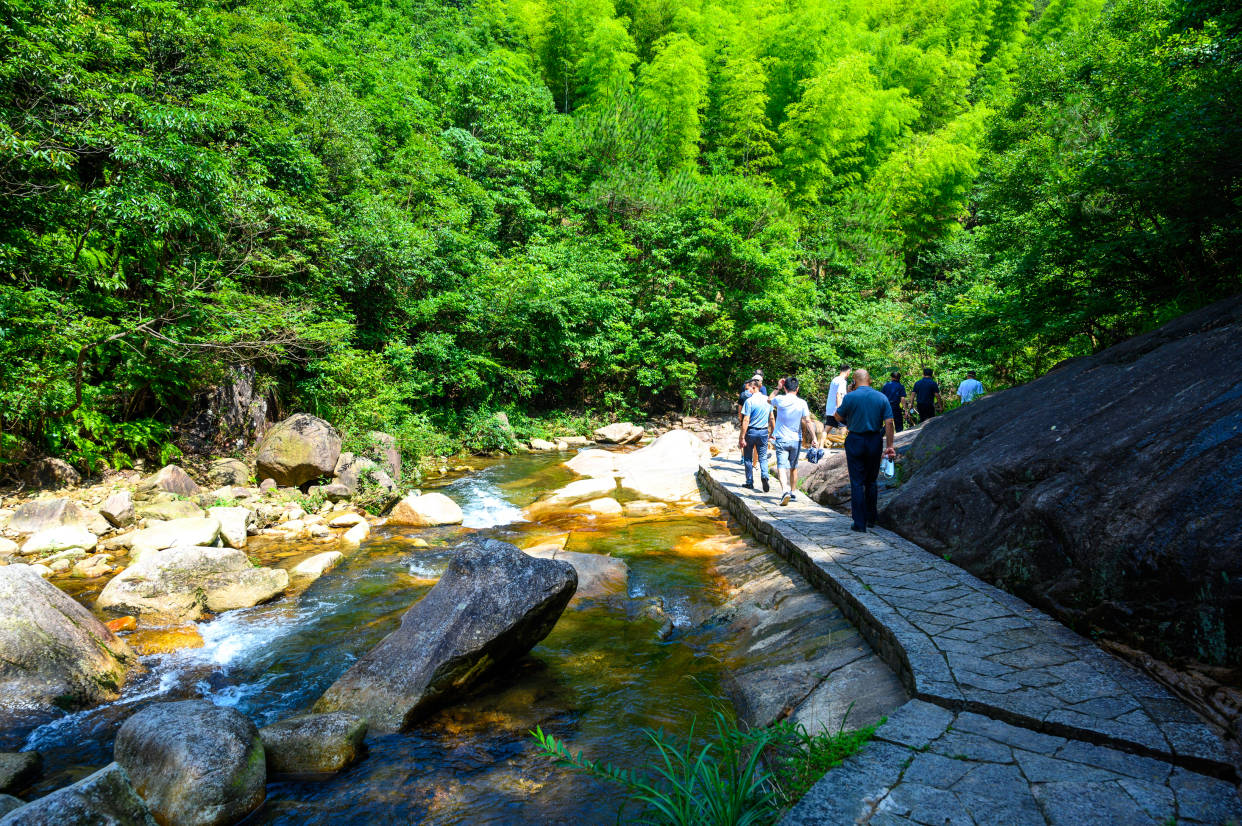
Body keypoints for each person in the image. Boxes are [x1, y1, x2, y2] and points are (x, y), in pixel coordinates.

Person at [833, 369, 896, 532]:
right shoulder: (881, 397)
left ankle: (859, 523)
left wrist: (850, 414)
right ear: (870, 380)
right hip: (874, 440)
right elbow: (889, 423)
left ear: (854, 380)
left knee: (857, 482)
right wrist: (890, 446)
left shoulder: (850, 397)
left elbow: (837, 416)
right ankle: (871, 519)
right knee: (871, 481)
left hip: (855, 440)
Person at [770, 376, 820, 506]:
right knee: (793, 467)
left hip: (781, 439)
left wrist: (777, 387)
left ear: (785, 388)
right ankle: (793, 492)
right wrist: (814, 438)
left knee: (781, 466)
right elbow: (808, 421)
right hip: (796, 440)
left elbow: (769, 400)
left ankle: (785, 490)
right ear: (797, 389)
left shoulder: (780, 399)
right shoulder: (802, 403)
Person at [737, 383, 773, 492]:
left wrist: (742, 437)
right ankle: (765, 476)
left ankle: (749, 482)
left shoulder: (749, 401)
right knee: (763, 456)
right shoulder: (768, 400)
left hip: (751, 432)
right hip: (763, 432)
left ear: (754, 388)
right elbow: (771, 417)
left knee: (748, 457)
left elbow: (746, 420)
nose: (747, 391)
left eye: (748, 389)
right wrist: (773, 432)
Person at [824, 364, 850, 428]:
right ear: (848, 372)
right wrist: (840, 410)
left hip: (830, 409)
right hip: (836, 410)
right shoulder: (842, 381)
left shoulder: (834, 379)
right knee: (844, 428)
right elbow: (839, 395)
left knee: (827, 428)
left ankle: (822, 438)